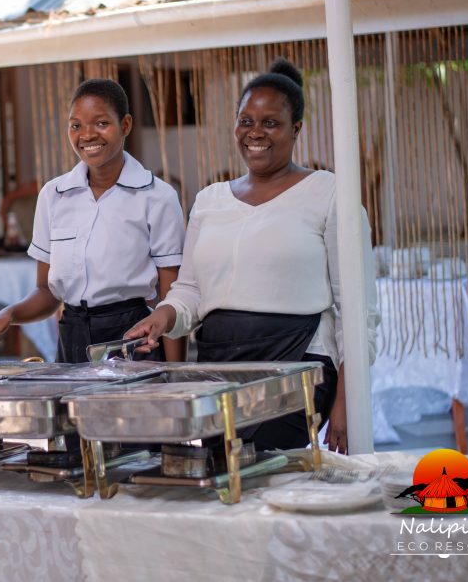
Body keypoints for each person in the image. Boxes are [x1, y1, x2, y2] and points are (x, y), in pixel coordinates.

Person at [125, 59, 379, 454]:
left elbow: (357, 311)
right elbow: (190, 290)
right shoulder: (209, 200)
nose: (255, 132)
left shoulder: (330, 195)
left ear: (296, 129)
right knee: (223, 473)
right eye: (246, 121)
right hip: (218, 366)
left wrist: (347, 403)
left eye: (270, 123)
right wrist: (163, 316)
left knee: (263, 469)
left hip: (297, 363)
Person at [0, 79, 185, 363]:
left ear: (125, 125)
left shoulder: (157, 196)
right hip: (71, 339)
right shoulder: (53, 195)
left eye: (101, 123)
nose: (87, 135)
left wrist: (175, 375)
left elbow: (172, 299)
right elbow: (47, 292)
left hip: (133, 339)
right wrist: (10, 314)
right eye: (76, 125)